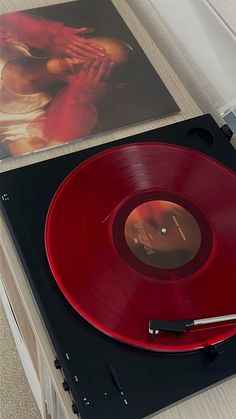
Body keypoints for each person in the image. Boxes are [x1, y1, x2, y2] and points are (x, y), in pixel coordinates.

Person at [0, 12, 131, 156]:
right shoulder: (8, 39)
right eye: (86, 50)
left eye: (96, 67)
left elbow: (43, 167)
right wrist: (45, 32)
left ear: (97, 84)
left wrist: (76, 105)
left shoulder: (25, 121)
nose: (80, 61)